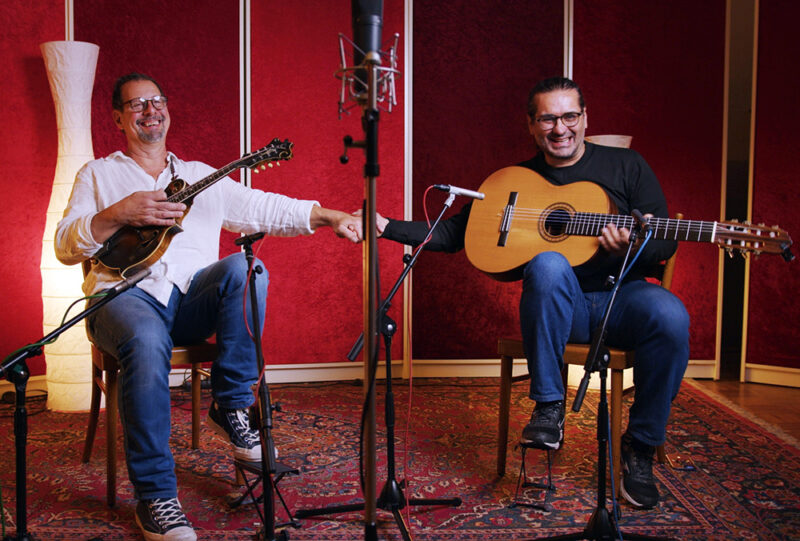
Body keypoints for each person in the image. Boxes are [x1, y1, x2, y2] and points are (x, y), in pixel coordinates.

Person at [55, 72, 362, 541]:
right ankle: (156, 497)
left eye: (157, 100)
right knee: (145, 335)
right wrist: (118, 213)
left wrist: (331, 215)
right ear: (118, 118)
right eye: (137, 105)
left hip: (187, 301)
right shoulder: (98, 174)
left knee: (247, 269)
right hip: (121, 297)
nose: (150, 110)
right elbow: (64, 244)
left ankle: (233, 408)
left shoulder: (200, 177)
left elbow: (266, 207)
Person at [370, 76, 689, 509]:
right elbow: (452, 232)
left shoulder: (627, 166)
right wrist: (386, 226)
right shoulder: (515, 181)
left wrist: (632, 242)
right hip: (565, 310)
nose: (561, 128)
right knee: (548, 263)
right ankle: (548, 407)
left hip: (623, 299)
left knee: (670, 315)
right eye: (549, 119)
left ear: (585, 118)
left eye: (570, 116)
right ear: (531, 125)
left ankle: (640, 446)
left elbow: (665, 241)